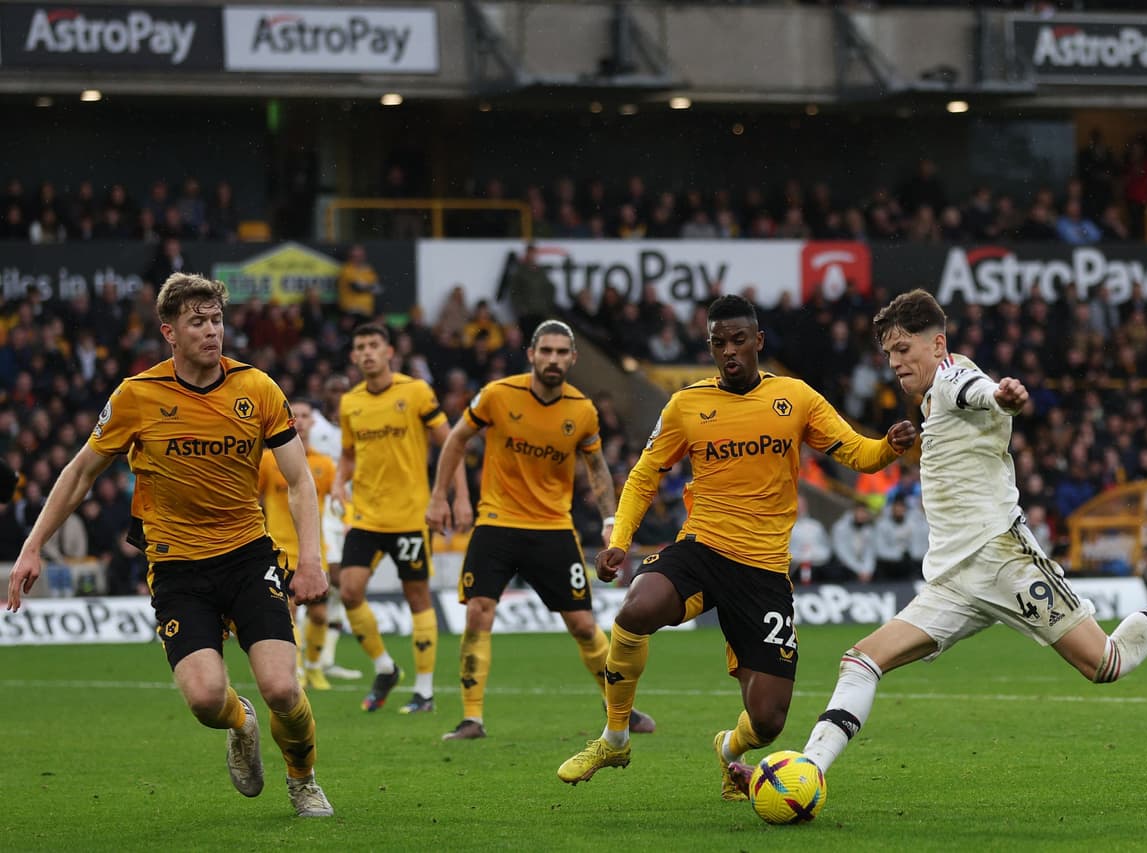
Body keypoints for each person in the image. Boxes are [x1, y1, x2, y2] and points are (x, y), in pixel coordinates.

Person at [728, 288, 1147, 793]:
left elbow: (983, 393)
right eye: (889, 352)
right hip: (954, 578)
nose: (894, 361)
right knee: (860, 659)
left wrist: (1004, 395)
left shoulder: (954, 380)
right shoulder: (930, 400)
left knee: (1107, 664)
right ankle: (804, 773)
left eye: (903, 348)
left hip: (1005, 561)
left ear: (937, 344)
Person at [555, 294, 916, 798]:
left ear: (758, 342)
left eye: (739, 340)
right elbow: (644, 475)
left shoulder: (796, 397)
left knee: (767, 721)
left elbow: (856, 452)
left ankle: (728, 749)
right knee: (637, 607)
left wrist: (889, 447)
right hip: (702, 547)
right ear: (709, 346)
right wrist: (620, 540)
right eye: (719, 342)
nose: (730, 351)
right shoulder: (687, 404)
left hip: (764, 571)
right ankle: (615, 736)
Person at [5, 272, 335, 817]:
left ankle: (302, 781)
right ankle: (240, 722)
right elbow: (83, 471)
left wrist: (309, 560)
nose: (212, 331)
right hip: (177, 567)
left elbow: (299, 481)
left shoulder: (258, 388)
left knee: (282, 687)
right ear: (169, 332)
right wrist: (32, 545)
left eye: (217, 320)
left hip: (248, 554)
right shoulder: (137, 395)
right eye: (197, 322)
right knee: (207, 701)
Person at [425, 320, 656, 741]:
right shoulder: (497, 395)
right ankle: (472, 718)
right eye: (545, 351)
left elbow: (597, 467)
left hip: (552, 528)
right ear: (531, 354)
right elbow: (456, 440)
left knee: (584, 625)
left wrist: (610, 521)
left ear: (573, 358)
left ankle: (619, 707)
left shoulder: (582, 410)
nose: (552, 359)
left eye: (561, 352)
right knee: (478, 613)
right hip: (496, 523)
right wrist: (441, 496)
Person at [331, 322, 472, 714]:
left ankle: (424, 691)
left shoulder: (415, 392)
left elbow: (453, 444)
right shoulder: (350, 403)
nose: (367, 352)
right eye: (360, 347)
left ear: (389, 351)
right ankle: (385, 667)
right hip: (366, 517)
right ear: (354, 356)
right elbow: (347, 454)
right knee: (349, 591)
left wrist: (458, 496)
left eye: (374, 345)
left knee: (417, 598)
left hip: (411, 517)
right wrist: (339, 482)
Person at [258, 398, 336, 690]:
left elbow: (335, 505)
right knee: (289, 609)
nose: (300, 421)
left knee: (319, 613)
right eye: (296, 415)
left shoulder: (324, 465)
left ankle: (315, 668)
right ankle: (298, 670)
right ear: (289, 420)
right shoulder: (268, 460)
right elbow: (254, 499)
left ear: (312, 422)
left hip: (314, 551)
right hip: (279, 550)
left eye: (305, 416)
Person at [307, 374, 364, 682]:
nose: (340, 395)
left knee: (342, 587)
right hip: (321, 509)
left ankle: (324, 658)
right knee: (330, 578)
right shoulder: (314, 425)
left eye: (344, 390)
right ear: (324, 392)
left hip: (349, 509)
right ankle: (310, 659)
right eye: (334, 390)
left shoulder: (355, 422)